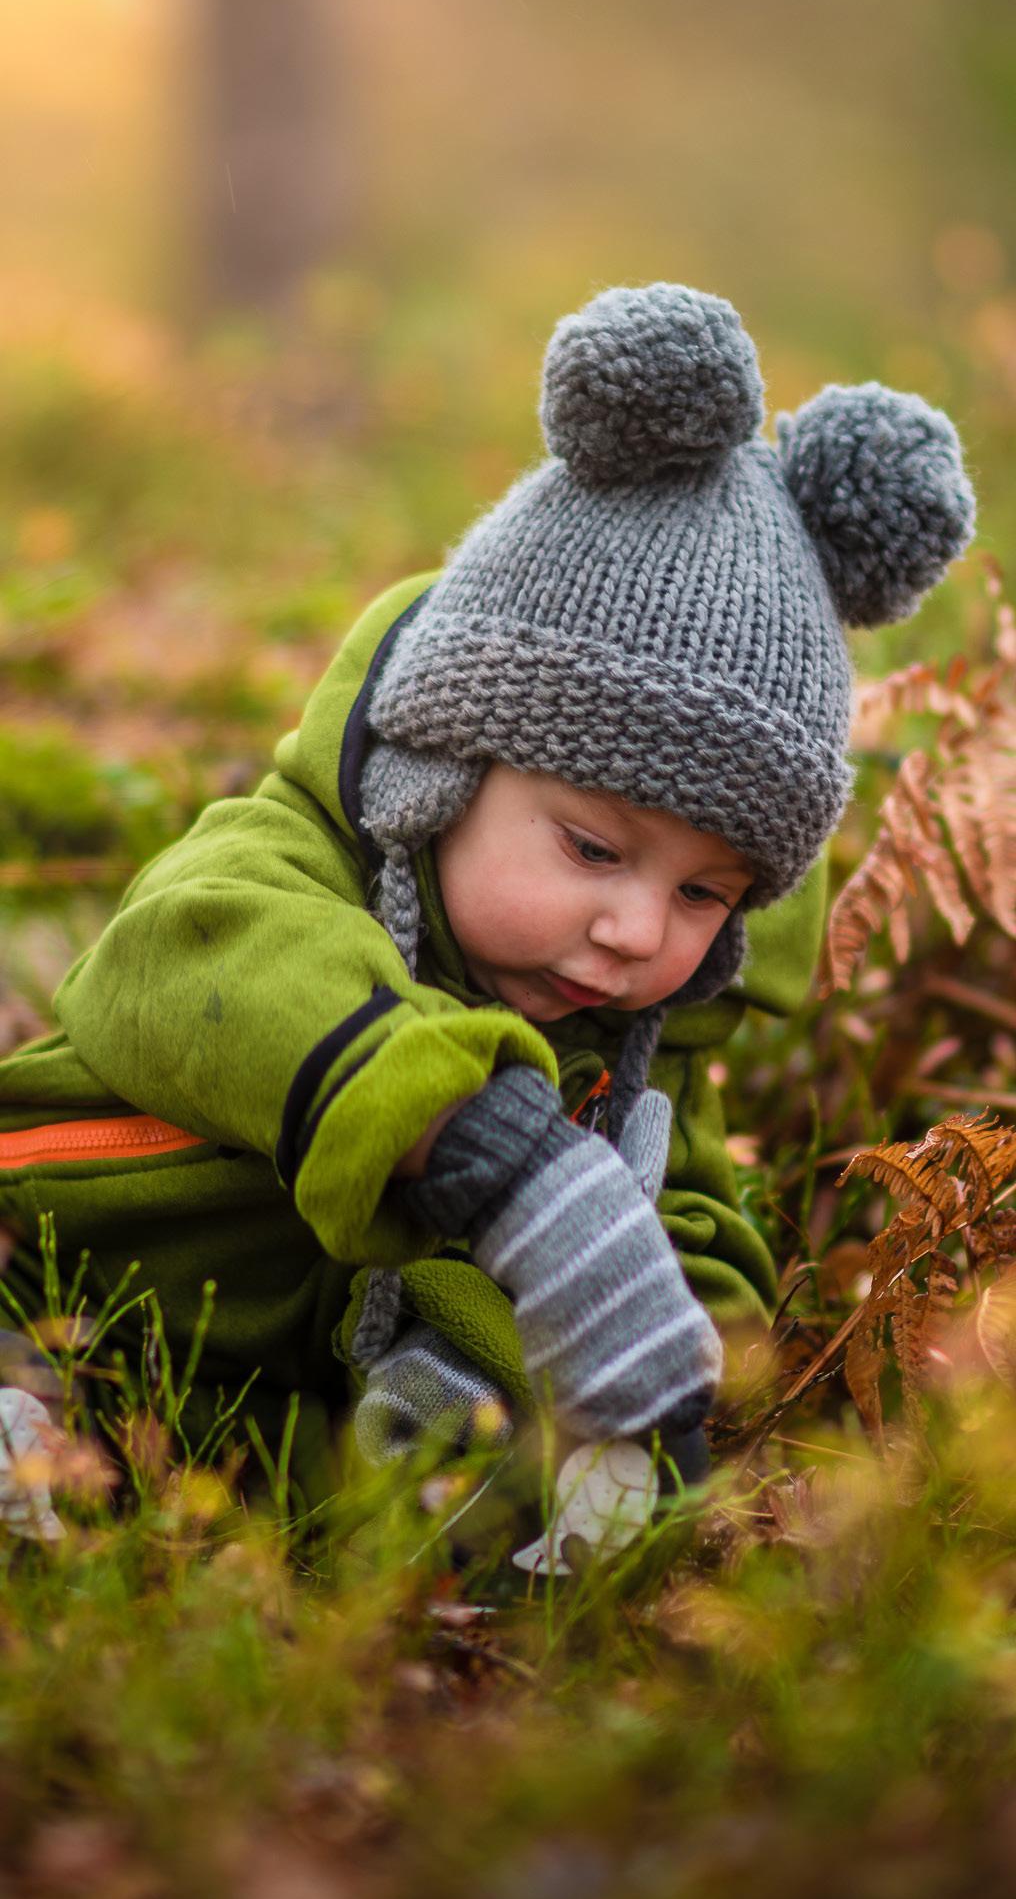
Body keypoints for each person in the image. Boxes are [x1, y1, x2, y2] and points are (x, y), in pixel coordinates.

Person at [0, 283, 975, 1525]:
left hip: (257, 1418)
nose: (635, 931)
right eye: (588, 849)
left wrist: (653, 1388)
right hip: (55, 1269)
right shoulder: (273, 874)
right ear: (440, 773)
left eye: (701, 893)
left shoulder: (635, 1035)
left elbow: (685, 1231)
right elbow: (194, 972)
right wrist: (489, 1153)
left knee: (451, 1470)